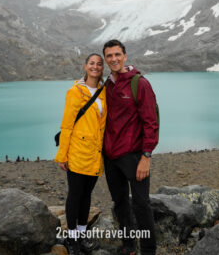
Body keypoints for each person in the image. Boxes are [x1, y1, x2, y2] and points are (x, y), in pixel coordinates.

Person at [102, 39, 159, 255]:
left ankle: (148, 250)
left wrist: (146, 156)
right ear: (106, 59)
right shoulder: (107, 85)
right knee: (120, 204)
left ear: (125, 56)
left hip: (134, 157)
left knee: (142, 205)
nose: (114, 59)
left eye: (117, 54)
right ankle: (128, 246)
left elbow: (151, 122)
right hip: (111, 157)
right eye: (109, 56)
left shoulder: (139, 84)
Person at [54, 53, 107, 255]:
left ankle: (82, 235)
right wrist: (62, 155)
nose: (95, 67)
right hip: (77, 153)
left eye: (99, 64)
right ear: (85, 66)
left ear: (102, 68)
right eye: (91, 63)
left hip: (94, 154)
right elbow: (66, 126)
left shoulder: (103, 92)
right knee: (75, 196)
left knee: (86, 196)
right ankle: (72, 239)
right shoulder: (75, 92)